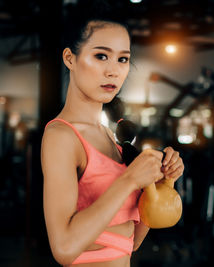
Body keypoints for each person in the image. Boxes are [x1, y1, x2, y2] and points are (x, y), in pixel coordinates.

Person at [40, 13, 184, 266]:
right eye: (101, 56)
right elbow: (63, 248)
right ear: (69, 58)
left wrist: (158, 183)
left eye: (123, 59)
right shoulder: (61, 136)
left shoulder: (110, 138)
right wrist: (130, 180)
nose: (113, 70)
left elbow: (132, 241)